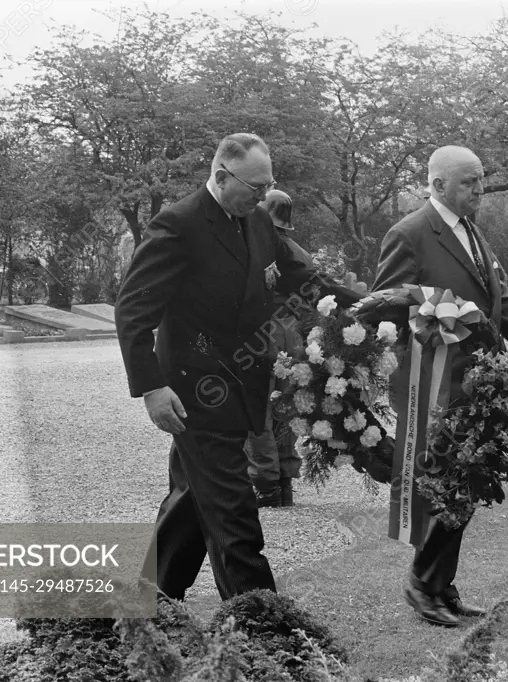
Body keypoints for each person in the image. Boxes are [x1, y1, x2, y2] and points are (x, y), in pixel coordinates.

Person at [115, 134, 361, 601]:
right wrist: (151, 388)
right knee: (234, 512)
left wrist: (366, 305)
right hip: (195, 396)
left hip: (243, 387)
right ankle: (262, 626)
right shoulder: (177, 225)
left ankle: (150, 601)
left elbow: (305, 279)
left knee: (192, 500)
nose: (264, 194)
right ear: (222, 177)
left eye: (269, 184)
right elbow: (133, 311)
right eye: (255, 186)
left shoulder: (258, 220)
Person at [372, 145, 508, 627]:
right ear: (437, 185)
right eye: (468, 182)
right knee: (447, 484)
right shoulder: (410, 234)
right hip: (431, 381)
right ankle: (423, 583)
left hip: (478, 381)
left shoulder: (473, 232)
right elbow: (385, 306)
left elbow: (499, 303)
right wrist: (431, 317)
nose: (479, 189)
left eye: (480, 180)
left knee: (468, 481)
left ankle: (440, 583)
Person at [245, 189, 310, 508]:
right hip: (294, 331)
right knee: (287, 406)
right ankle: (285, 481)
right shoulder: (299, 251)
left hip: (265, 330)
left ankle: (265, 483)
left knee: (258, 407)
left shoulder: (258, 247)